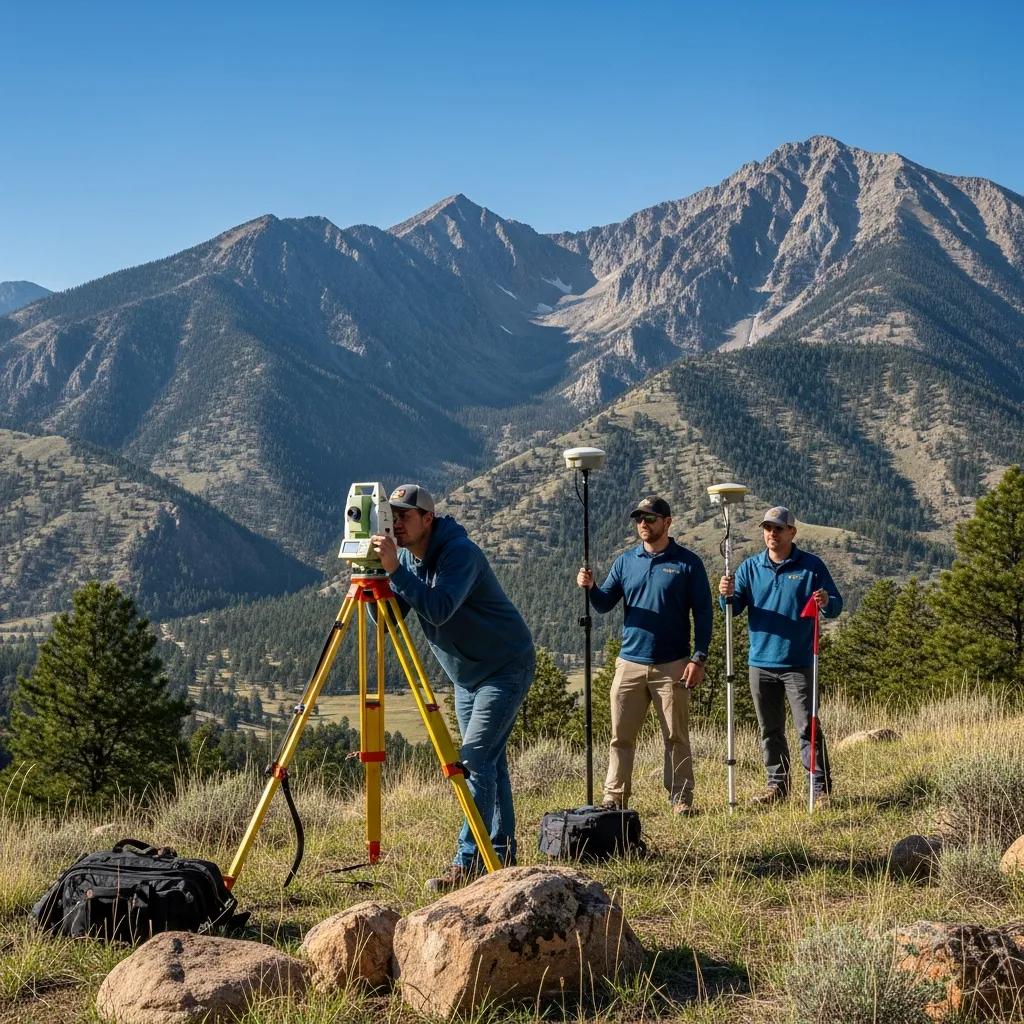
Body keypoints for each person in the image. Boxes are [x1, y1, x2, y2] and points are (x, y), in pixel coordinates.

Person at [371, 483, 535, 892]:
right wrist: (374, 578)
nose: (396, 524)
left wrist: (396, 572)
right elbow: (388, 622)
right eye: (392, 516)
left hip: (504, 668)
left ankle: (469, 861)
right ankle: (502, 853)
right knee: (490, 763)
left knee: (474, 760)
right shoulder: (407, 559)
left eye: (404, 516)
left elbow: (440, 609)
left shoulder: (459, 553)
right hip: (467, 677)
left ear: (428, 518)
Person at [577, 496, 712, 815]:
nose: (643, 524)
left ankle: (680, 799)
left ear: (668, 522)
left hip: (674, 665)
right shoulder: (626, 562)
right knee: (620, 736)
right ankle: (614, 798)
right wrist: (591, 587)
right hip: (630, 663)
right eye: (639, 519)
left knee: (676, 736)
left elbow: (704, 613)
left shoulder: (688, 563)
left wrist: (698, 658)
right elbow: (604, 604)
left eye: (650, 518)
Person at [719, 505, 843, 809]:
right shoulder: (750, 568)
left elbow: (835, 606)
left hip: (799, 663)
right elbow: (733, 609)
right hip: (760, 663)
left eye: (778, 528)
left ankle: (819, 788)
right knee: (770, 730)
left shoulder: (811, 566)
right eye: (767, 528)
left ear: (792, 532)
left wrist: (826, 600)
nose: (772, 533)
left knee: (808, 727)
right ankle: (777, 785)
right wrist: (726, 595)